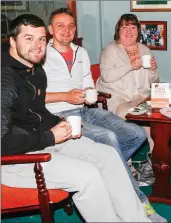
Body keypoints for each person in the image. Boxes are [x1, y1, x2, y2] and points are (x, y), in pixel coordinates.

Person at [1, 14, 151, 222]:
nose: (37, 46)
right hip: (13, 159)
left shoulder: (34, 71)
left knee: (108, 155)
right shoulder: (4, 80)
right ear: (12, 41)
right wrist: (50, 137)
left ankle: (139, 219)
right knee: (88, 174)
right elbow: (3, 142)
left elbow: (38, 113)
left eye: (41, 39)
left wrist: (58, 124)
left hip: (41, 140)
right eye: (29, 38)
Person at [42, 8, 165, 222]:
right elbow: (34, 96)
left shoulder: (81, 52)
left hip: (85, 109)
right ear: (50, 30)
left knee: (137, 134)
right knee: (109, 138)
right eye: (60, 25)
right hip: (58, 114)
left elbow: (89, 81)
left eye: (71, 25)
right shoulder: (40, 55)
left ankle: (111, 171)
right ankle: (140, 201)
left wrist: (89, 93)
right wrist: (67, 95)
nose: (67, 30)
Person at [96, 13, 160, 150]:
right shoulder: (110, 49)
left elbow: (155, 81)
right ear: (118, 31)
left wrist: (153, 70)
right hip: (116, 97)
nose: (129, 31)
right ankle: (126, 157)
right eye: (124, 27)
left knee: (157, 115)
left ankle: (154, 152)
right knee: (130, 114)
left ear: (138, 31)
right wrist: (130, 65)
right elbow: (106, 76)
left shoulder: (145, 50)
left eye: (133, 27)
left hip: (141, 96)